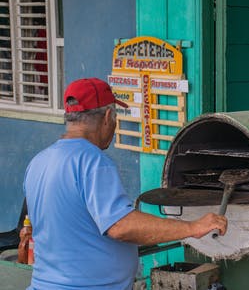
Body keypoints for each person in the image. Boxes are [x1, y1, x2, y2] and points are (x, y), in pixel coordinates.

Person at [23, 77, 227, 290]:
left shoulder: (39, 161)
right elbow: (120, 226)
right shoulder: (93, 161)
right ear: (108, 117)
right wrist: (193, 227)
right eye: (115, 117)